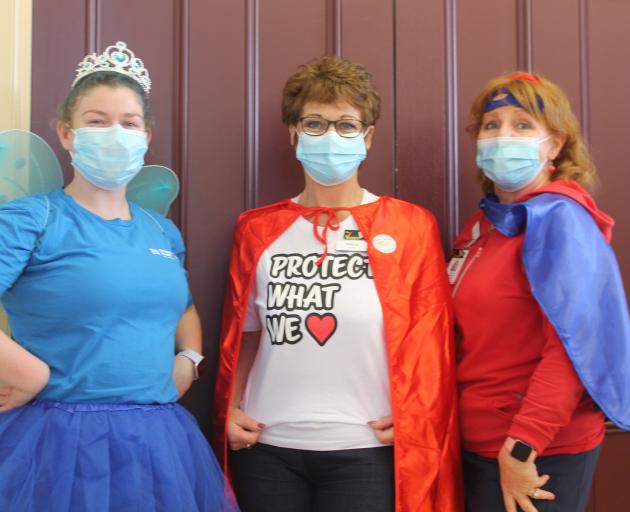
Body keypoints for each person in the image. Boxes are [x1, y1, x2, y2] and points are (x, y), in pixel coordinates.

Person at [213, 55, 462, 512]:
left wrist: (418, 417)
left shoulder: (409, 225)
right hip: (267, 446)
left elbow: (431, 337)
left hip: (366, 448)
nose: (331, 137)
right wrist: (229, 407)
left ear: (367, 136)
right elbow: (245, 333)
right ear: (293, 133)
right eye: (315, 123)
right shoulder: (256, 228)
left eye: (346, 125)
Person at [0, 41, 237, 511]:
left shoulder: (161, 231)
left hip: (159, 446)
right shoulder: (31, 219)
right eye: (96, 121)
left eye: (127, 123)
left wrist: (189, 357)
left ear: (146, 135)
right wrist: (25, 370)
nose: (114, 133)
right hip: (56, 445)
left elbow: (180, 304)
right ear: (67, 134)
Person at [451, 71, 630, 512]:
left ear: (555, 144)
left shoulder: (561, 220)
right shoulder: (482, 226)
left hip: (536, 450)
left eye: (523, 125)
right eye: (492, 126)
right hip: (471, 443)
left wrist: (522, 446)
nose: (502, 136)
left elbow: (573, 349)